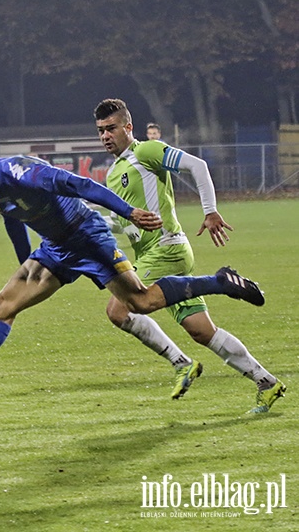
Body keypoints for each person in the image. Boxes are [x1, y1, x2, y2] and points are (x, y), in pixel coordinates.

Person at [0, 147, 266, 405]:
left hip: (86, 236)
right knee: (3, 305)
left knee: (141, 302)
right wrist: (26, 262)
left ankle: (220, 282)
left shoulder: (26, 174)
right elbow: (13, 218)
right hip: (55, 246)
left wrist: (129, 212)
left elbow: (81, 186)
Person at [97, 98, 285, 413]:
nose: (105, 136)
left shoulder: (145, 152)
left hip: (166, 249)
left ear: (128, 127)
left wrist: (210, 212)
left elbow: (198, 166)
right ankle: (266, 382)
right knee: (202, 331)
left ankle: (184, 356)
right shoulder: (114, 173)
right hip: (153, 255)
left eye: (111, 128)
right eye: (101, 131)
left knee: (119, 309)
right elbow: (121, 223)